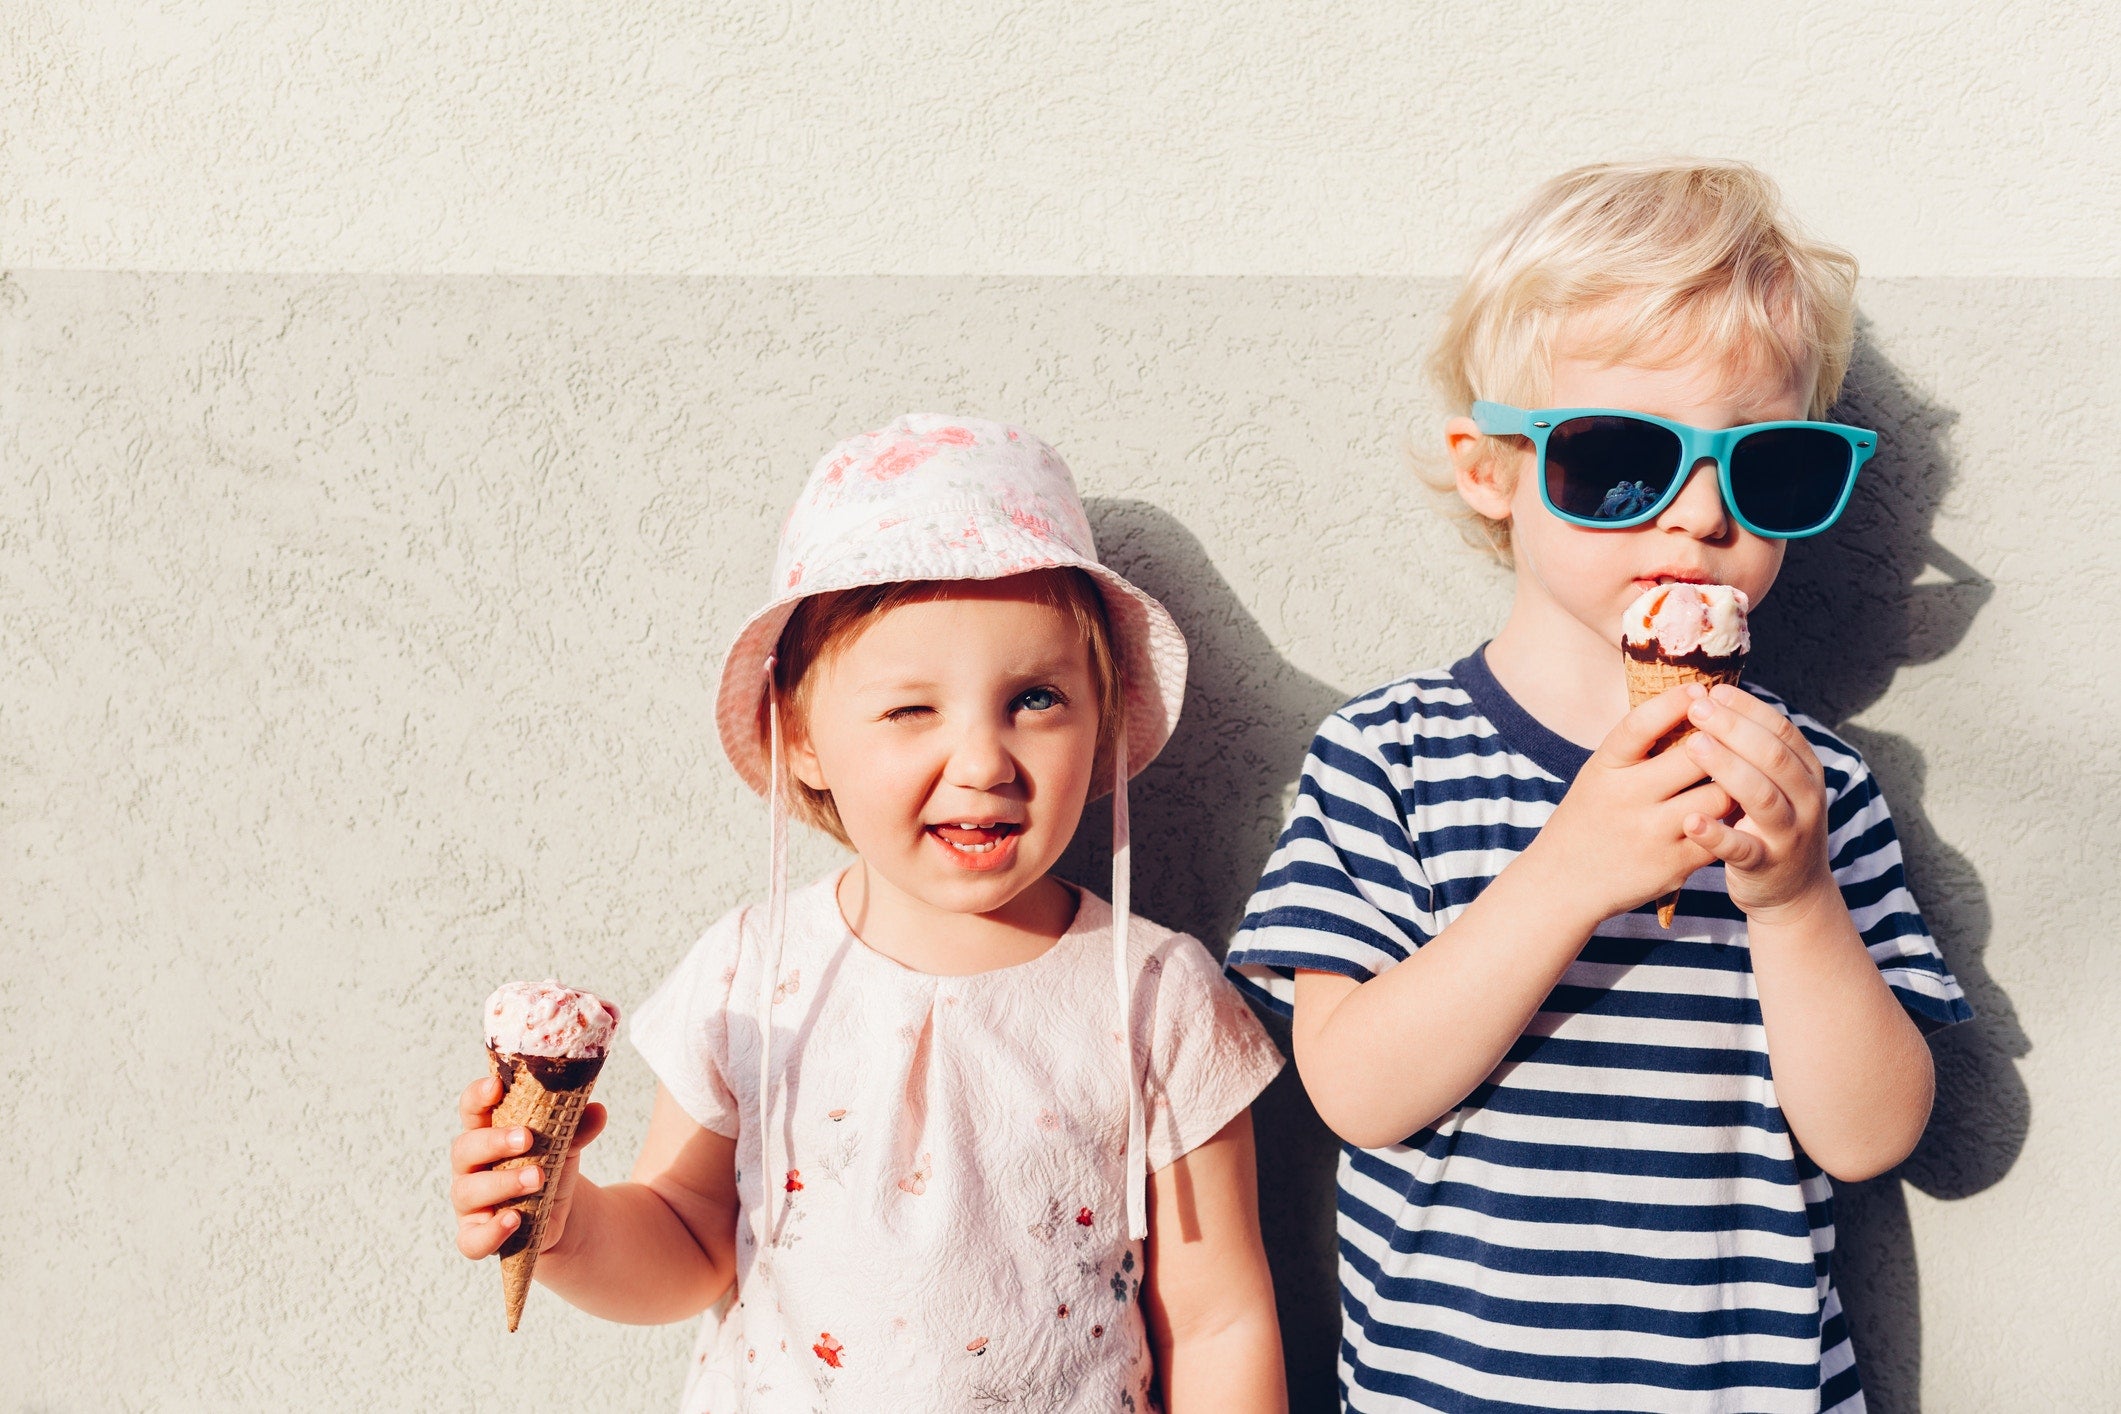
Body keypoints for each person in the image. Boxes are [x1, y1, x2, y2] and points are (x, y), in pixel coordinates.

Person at [1224, 161, 1972, 1413]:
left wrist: (1793, 902)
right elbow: (1355, 1094)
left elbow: (1871, 1134)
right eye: (1621, 458)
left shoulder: (1818, 785)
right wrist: (1566, 874)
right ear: (1491, 471)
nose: (1698, 513)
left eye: (1768, 466)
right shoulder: (1388, 756)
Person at [448, 415, 1288, 1412]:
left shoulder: (1155, 994)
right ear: (800, 738)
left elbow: (1217, 1317)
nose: (982, 762)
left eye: (1035, 698)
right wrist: (563, 1224)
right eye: (911, 709)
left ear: (1102, 715)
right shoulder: (755, 974)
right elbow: (683, 1238)